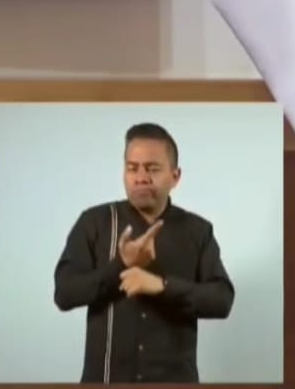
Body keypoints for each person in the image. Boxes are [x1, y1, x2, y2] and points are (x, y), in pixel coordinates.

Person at [51, 123, 235, 383]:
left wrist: (162, 286)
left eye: (152, 168)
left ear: (175, 176)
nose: (141, 177)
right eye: (132, 168)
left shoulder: (197, 230)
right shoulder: (95, 222)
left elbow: (222, 300)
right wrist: (121, 265)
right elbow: (65, 293)